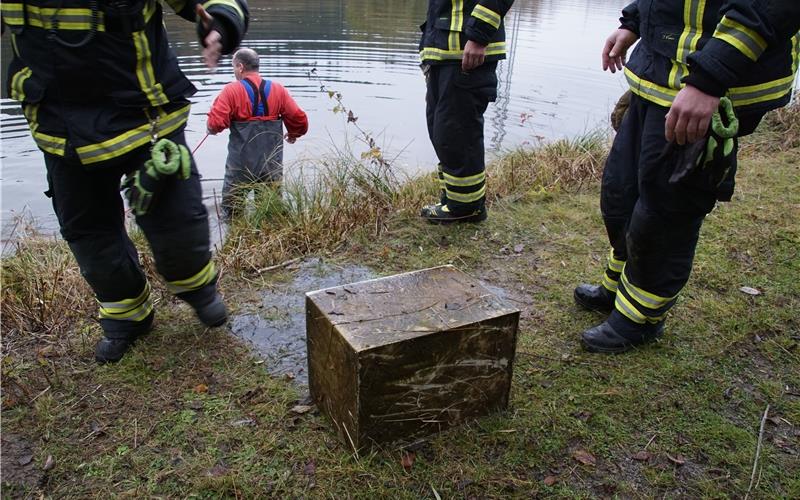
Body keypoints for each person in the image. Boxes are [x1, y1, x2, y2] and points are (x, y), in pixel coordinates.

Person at [2, 0, 249, 363]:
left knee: (176, 221)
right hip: (59, 130)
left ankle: (197, 288)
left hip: (146, 120)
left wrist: (221, 24)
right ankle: (127, 317)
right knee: (89, 234)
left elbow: (220, 2)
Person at [575, 0, 800, 353]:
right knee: (620, 194)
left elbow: (768, 9)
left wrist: (709, 80)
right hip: (656, 76)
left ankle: (640, 317)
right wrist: (633, 21)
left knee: (666, 210)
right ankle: (620, 286)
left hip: (709, 87)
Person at [418, 0, 515, 224]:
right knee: (443, 132)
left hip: (467, 55)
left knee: (456, 133)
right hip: (444, 54)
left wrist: (479, 35)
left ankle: (466, 208)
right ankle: (453, 201)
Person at [207, 48, 308, 217]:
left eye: (234, 68)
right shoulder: (279, 90)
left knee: (231, 213)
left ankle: (233, 240)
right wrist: (293, 134)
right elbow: (299, 119)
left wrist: (210, 128)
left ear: (240, 67)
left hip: (241, 166)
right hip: (270, 165)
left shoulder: (231, 91)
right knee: (270, 212)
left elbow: (216, 123)